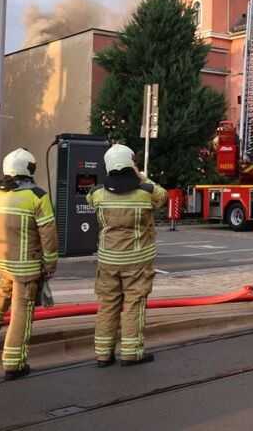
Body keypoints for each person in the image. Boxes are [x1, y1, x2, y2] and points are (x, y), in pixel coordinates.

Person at [0, 148, 58, 381]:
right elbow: (49, 236)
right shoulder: (37, 196)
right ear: (29, 169)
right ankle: (14, 363)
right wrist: (50, 264)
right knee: (22, 310)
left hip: (2, 261)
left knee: (3, 289)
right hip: (27, 266)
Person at [88, 145, 166, 367]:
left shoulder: (96, 193)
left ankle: (103, 354)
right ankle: (131, 353)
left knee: (107, 305)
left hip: (108, 260)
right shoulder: (146, 192)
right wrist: (139, 174)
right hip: (137, 261)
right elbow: (163, 196)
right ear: (131, 164)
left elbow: (90, 202)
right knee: (133, 304)